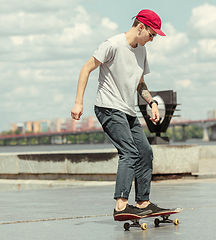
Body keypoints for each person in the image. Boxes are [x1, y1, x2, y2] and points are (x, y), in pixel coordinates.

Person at [71, 9, 170, 219]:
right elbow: (85, 69)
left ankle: (142, 202)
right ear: (140, 26)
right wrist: (78, 102)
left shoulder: (142, 51)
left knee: (145, 152)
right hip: (108, 107)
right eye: (152, 35)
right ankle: (121, 205)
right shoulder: (113, 44)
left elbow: (140, 83)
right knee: (129, 152)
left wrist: (151, 102)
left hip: (127, 110)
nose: (152, 40)